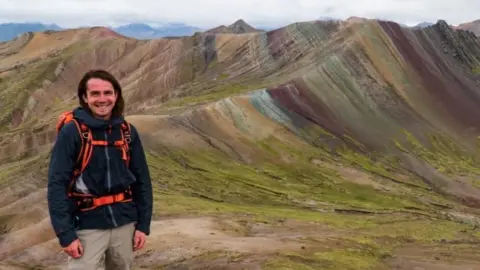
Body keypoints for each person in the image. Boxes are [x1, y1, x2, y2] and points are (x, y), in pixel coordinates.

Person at [47, 69, 153, 269]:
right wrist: (65, 235)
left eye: (107, 93)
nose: (102, 99)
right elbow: (56, 184)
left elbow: (142, 180)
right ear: (85, 98)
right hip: (87, 224)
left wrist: (143, 226)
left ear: (116, 95)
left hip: (125, 223)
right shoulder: (73, 131)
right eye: (95, 94)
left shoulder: (127, 132)